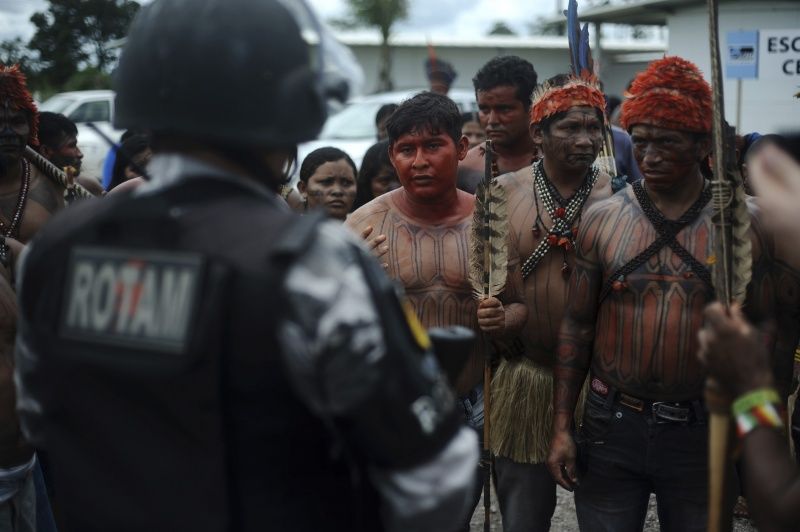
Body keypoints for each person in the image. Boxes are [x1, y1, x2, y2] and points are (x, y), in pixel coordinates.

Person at [14, 1, 478, 531]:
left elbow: (38, 419)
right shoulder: (311, 262)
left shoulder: (56, 251)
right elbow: (434, 479)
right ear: (287, 114)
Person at [546, 56, 790, 531]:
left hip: (704, 426)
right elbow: (576, 325)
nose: (650, 155)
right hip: (610, 422)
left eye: (667, 142)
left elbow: (768, 333)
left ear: (701, 144)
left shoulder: (744, 227)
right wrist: (561, 428)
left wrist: (757, 430)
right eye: (640, 141)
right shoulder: (602, 219)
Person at [345, 91, 527, 531]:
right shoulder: (363, 226)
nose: (419, 161)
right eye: (406, 150)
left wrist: (502, 319)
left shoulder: (489, 223)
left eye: (433, 146)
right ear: (392, 155)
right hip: (393, 403)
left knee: (452, 518)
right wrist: (358, 283)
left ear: (461, 147)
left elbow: (520, 305)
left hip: (472, 402)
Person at [491, 73, 612, 532]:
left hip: (597, 384)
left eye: (593, 128)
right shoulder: (502, 193)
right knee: (523, 515)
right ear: (538, 134)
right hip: (526, 374)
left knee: (606, 513)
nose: (585, 140)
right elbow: (484, 282)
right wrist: (495, 325)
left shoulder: (619, 195)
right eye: (570, 128)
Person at [458, 55, 539, 193]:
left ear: (531, 108)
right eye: (484, 109)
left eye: (504, 109)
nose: (492, 120)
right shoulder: (464, 167)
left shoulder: (556, 163)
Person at [36, 111, 105, 197]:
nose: (80, 154)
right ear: (46, 151)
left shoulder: (85, 185)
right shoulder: (33, 194)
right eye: (71, 146)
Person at [297, 146, 357, 221]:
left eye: (346, 183)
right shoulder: (289, 227)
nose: (337, 191)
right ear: (303, 189)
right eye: (326, 182)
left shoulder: (367, 226)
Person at [353, 140, 399, 210]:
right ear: (367, 184)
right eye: (385, 181)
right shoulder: (355, 216)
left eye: (400, 180)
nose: (395, 188)